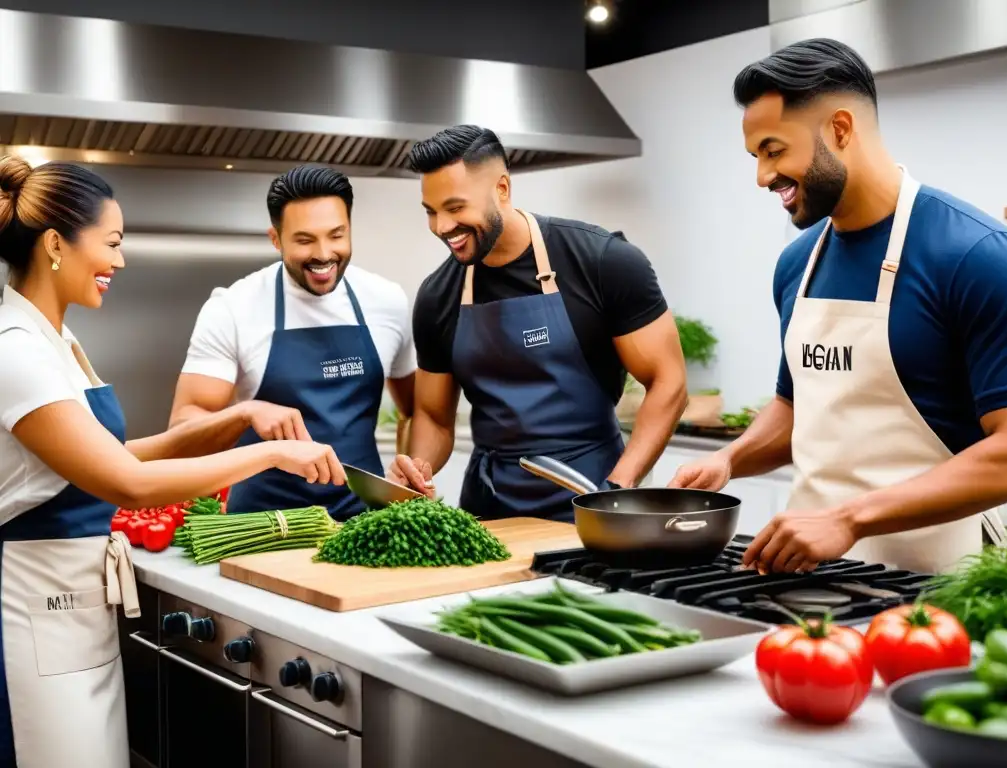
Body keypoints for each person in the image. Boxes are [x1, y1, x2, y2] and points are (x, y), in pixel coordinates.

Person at [0, 157, 344, 767]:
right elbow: (129, 483)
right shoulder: (16, 350)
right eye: (111, 243)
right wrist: (268, 453)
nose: (120, 261)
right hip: (33, 610)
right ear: (56, 244)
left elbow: (112, 456)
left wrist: (239, 417)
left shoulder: (56, 339)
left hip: (69, 607)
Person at [669, 38, 1007, 575]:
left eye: (774, 150)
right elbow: (797, 410)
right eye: (756, 157)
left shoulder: (977, 257)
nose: (762, 177)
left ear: (839, 129)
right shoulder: (796, 266)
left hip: (942, 585)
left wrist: (850, 519)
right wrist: (730, 459)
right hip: (807, 581)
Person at [386, 125, 687, 521]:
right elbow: (434, 417)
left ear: (502, 190)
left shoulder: (602, 261)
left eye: (456, 208)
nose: (442, 226)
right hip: (490, 510)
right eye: (431, 211)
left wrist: (617, 489)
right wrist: (417, 466)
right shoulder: (438, 295)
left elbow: (669, 382)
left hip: (593, 496)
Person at [169, 164, 416, 520]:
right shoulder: (234, 307)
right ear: (276, 239)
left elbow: (415, 410)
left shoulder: (387, 301)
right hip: (263, 526)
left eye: (336, 235)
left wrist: (405, 471)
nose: (324, 254)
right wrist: (245, 413)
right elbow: (182, 426)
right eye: (304, 240)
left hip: (366, 522)